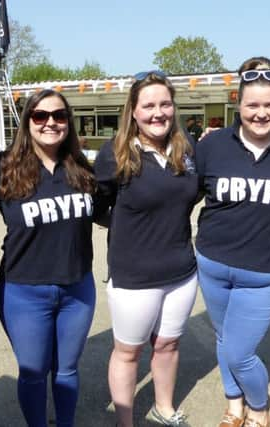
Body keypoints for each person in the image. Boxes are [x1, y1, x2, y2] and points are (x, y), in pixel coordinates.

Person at [194, 57, 270, 427]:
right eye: (252, 105)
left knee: (241, 352)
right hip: (212, 264)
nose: (261, 113)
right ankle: (233, 404)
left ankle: (259, 409)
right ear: (238, 105)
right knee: (223, 337)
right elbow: (183, 195)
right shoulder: (213, 146)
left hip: (265, 272)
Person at [94, 71, 198, 427]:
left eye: (165, 104)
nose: (158, 112)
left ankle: (164, 408)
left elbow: (191, 196)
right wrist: (129, 229)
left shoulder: (187, 149)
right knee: (128, 352)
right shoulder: (114, 155)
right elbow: (97, 206)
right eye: (149, 105)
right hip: (134, 275)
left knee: (167, 345)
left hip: (182, 272)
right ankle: (126, 422)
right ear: (133, 112)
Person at [0, 89, 98, 427]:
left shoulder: (82, 168)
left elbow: (119, 208)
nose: (51, 123)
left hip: (77, 290)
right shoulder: (4, 169)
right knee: (33, 372)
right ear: (27, 122)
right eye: (40, 116)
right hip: (24, 292)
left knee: (67, 369)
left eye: (59, 116)